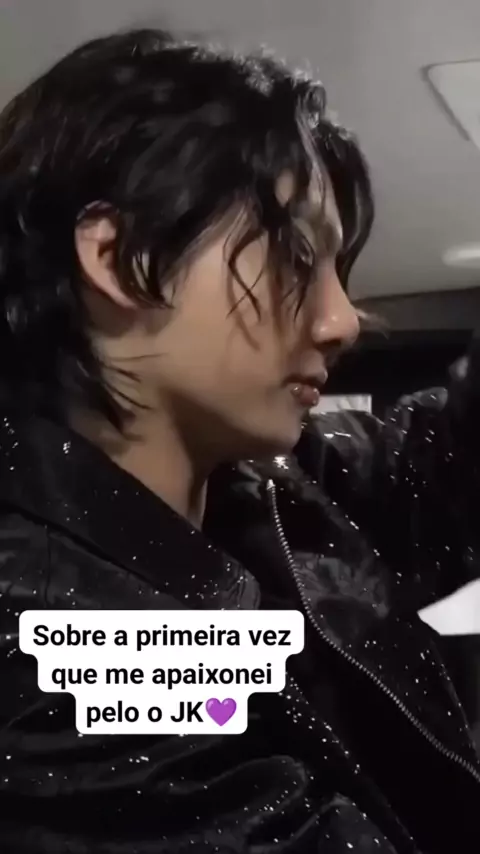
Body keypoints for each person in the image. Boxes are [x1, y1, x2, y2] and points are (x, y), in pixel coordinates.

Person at [0, 27, 479, 854]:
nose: (342, 321)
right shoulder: (47, 637)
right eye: (297, 257)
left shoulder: (261, 489)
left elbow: (443, 459)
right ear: (117, 258)